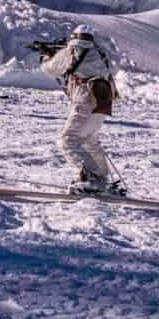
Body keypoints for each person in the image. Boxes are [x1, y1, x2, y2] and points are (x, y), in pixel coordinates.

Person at [40, 25, 121, 195]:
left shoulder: (73, 49)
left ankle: (91, 180)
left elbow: (50, 69)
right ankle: (102, 180)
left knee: (68, 140)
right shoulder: (100, 52)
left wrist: (47, 56)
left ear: (74, 37)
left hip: (85, 99)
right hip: (102, 101)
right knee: (90, 140)